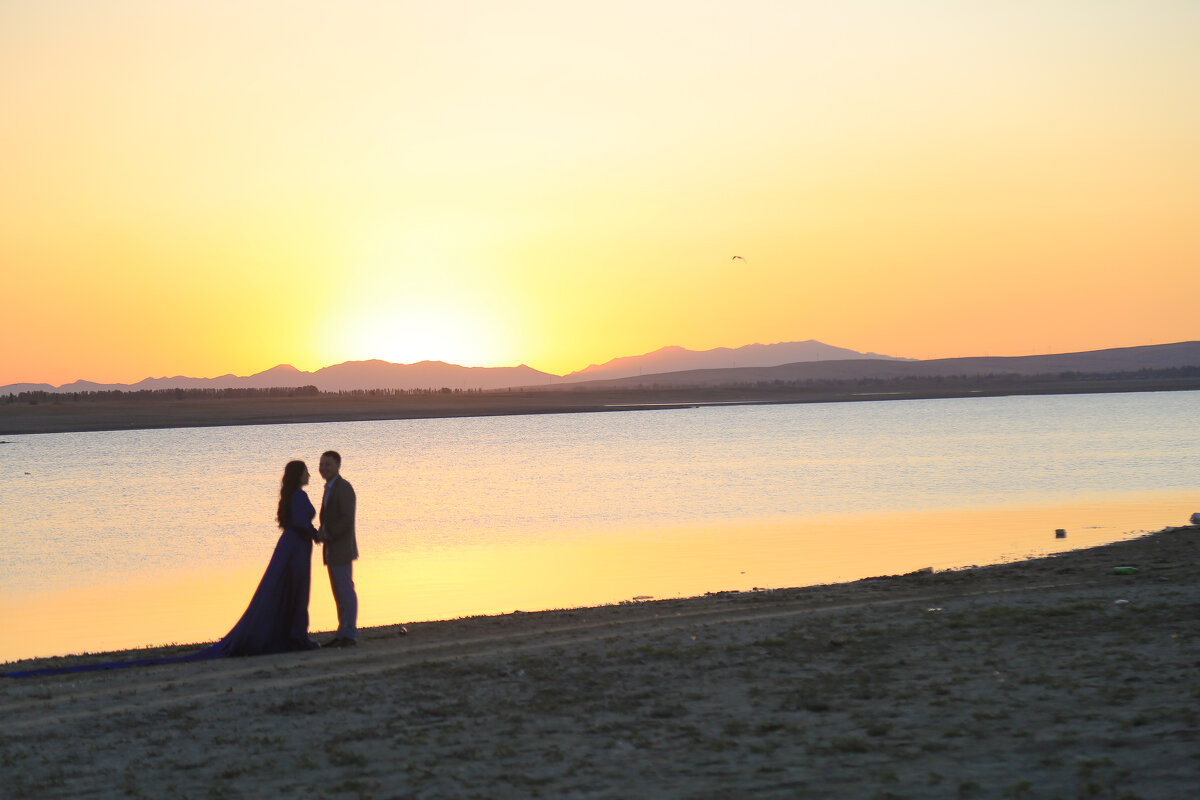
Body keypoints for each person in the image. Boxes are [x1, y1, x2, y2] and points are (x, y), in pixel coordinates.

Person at [201, 460, 323, 656]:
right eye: (306, 472)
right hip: (296, 547)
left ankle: (291, 633)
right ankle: (295, 637)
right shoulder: (299, 496)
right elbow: (300, 522)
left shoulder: (291, 495)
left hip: (292, 545)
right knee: (297, 589)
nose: (309, 475)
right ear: (298, 475)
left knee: (288, 587)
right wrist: (316, 534)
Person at [317, 450, 358, 648]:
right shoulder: (329, 488)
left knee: (345, 591)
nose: (324, 468)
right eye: (322, 464)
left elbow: (347, 519)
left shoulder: (344, 487)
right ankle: (342, 631)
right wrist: (322, 532)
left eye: (328, 465)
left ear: (338, 466)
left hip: (341, 548)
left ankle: (349, 633)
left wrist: (329, 534)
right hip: (331, 549)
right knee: (338, 593)